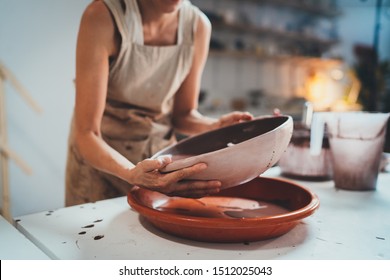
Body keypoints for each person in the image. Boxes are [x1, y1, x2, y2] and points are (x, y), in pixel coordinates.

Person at [65, 0, 253, 206]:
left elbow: (183, 115)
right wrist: (131, 173)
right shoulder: (103, 16)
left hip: (161, 164)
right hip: (103, 165)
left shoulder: (197, 25)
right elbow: (87, 133)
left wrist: (216, 126)